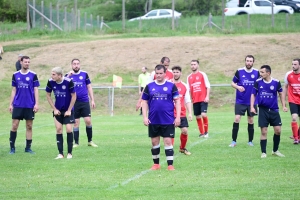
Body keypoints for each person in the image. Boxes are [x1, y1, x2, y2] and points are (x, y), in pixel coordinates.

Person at [141, 64, 181, 171]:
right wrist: (145, 116)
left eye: (160, 73)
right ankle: (156, 164)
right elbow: (144, 101)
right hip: (153, 119)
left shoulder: (171, 86)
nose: (158, 75)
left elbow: (177, 101)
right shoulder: (149, 86)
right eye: (157, 73)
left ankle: (170, 165)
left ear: (164, 73)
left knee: (168, 141)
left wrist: (177, 117)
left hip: (168, 119)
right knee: (154, 142)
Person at [250, 65, 287, 158]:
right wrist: (252, 107)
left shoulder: (276, 82)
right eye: (260, 72)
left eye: (262, 72)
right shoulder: (258, 82)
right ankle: (263, 152)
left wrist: (284, 106)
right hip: (263, 110)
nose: (260, 74)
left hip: (274, 110)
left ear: (268, 73)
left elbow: (281, 93)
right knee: (264, 131)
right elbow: (253, 95)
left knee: (278, 130)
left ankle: (275, 150)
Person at [9, 56, 40, 154]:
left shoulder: (33, 75)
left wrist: (36, 103)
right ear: (21, 62)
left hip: (29, 105)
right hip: (18, 104)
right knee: (14, 125)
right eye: (25, 62)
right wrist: (11, 104)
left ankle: (28, 148)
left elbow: (36, 90)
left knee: (29, 126)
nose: (27, 63)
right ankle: (12, 148)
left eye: (28, 62)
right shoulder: (15, 75)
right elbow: (14, 90)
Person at [66, 59, 98, 148]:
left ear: (80, 65)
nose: (76, 65)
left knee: (88, 120)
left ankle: (90, 141)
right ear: (71, 65)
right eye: (74, 64)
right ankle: (76, 143)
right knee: (76, 122)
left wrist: (92, 100)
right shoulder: (68, 75)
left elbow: (89, 87)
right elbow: (64, 86)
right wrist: (68, 76)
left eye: (77, 64)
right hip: (74, 102)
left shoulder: (84, 74)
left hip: (84, 101)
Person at [46, 67, 76, 159]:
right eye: (52, 74)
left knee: (68, 130)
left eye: (54, 74)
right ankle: (60, 154)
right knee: (58, 129)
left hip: (68, 110)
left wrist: (69, 110)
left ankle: (70, 153)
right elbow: (48, 95)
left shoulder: (68, 81)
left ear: (60, 75)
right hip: (58, 110)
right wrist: (54, 109)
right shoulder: (50, 82)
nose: (52, 76)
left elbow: (74, 96)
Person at [229, 55, 260, 147]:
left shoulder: (257, 72)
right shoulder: (239, 71)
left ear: (253, 62)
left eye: (250, 61)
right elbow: (232, 83)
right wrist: (238, 87)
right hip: (240, 100)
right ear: (245, 61)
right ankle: (233, 141)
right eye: (247, 61)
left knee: (250, 120)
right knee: (237, 119)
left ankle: (250, 141)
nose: (249, 63)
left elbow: (260, 84)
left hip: (252, 102)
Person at [172, 66, 193, 155]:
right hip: (170, 113)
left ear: (181, 73)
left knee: (184, 130)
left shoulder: (184, 86)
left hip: (181, 113)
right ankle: (170, 149)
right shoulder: (169, 84)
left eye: (177, 72)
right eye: (174, 72)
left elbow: (187, 100)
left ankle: (182, 148)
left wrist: (190, 113)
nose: (175, 73)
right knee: (170, 132)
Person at [187, 60, 210, 138]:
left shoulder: (202, 74)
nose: (193, 66)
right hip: (195, 99)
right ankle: (201, 133)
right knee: (198, 116)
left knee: (203, 114)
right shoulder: (189, 77)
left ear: (198, 65)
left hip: (203, 99)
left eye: (194, 64)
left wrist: (207, 96)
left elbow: (208, 86)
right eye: (192, 64)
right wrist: (190, 99)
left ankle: (206, 132)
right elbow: (189, 89)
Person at [282, 58, 300, 144]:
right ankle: (296, 138)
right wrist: (284, 104)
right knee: (294, 117)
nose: (293, 66)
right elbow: (285, 88)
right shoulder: (288, 75)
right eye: (292, 64)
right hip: (293, 100)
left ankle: (298, 136)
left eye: (295, 64)